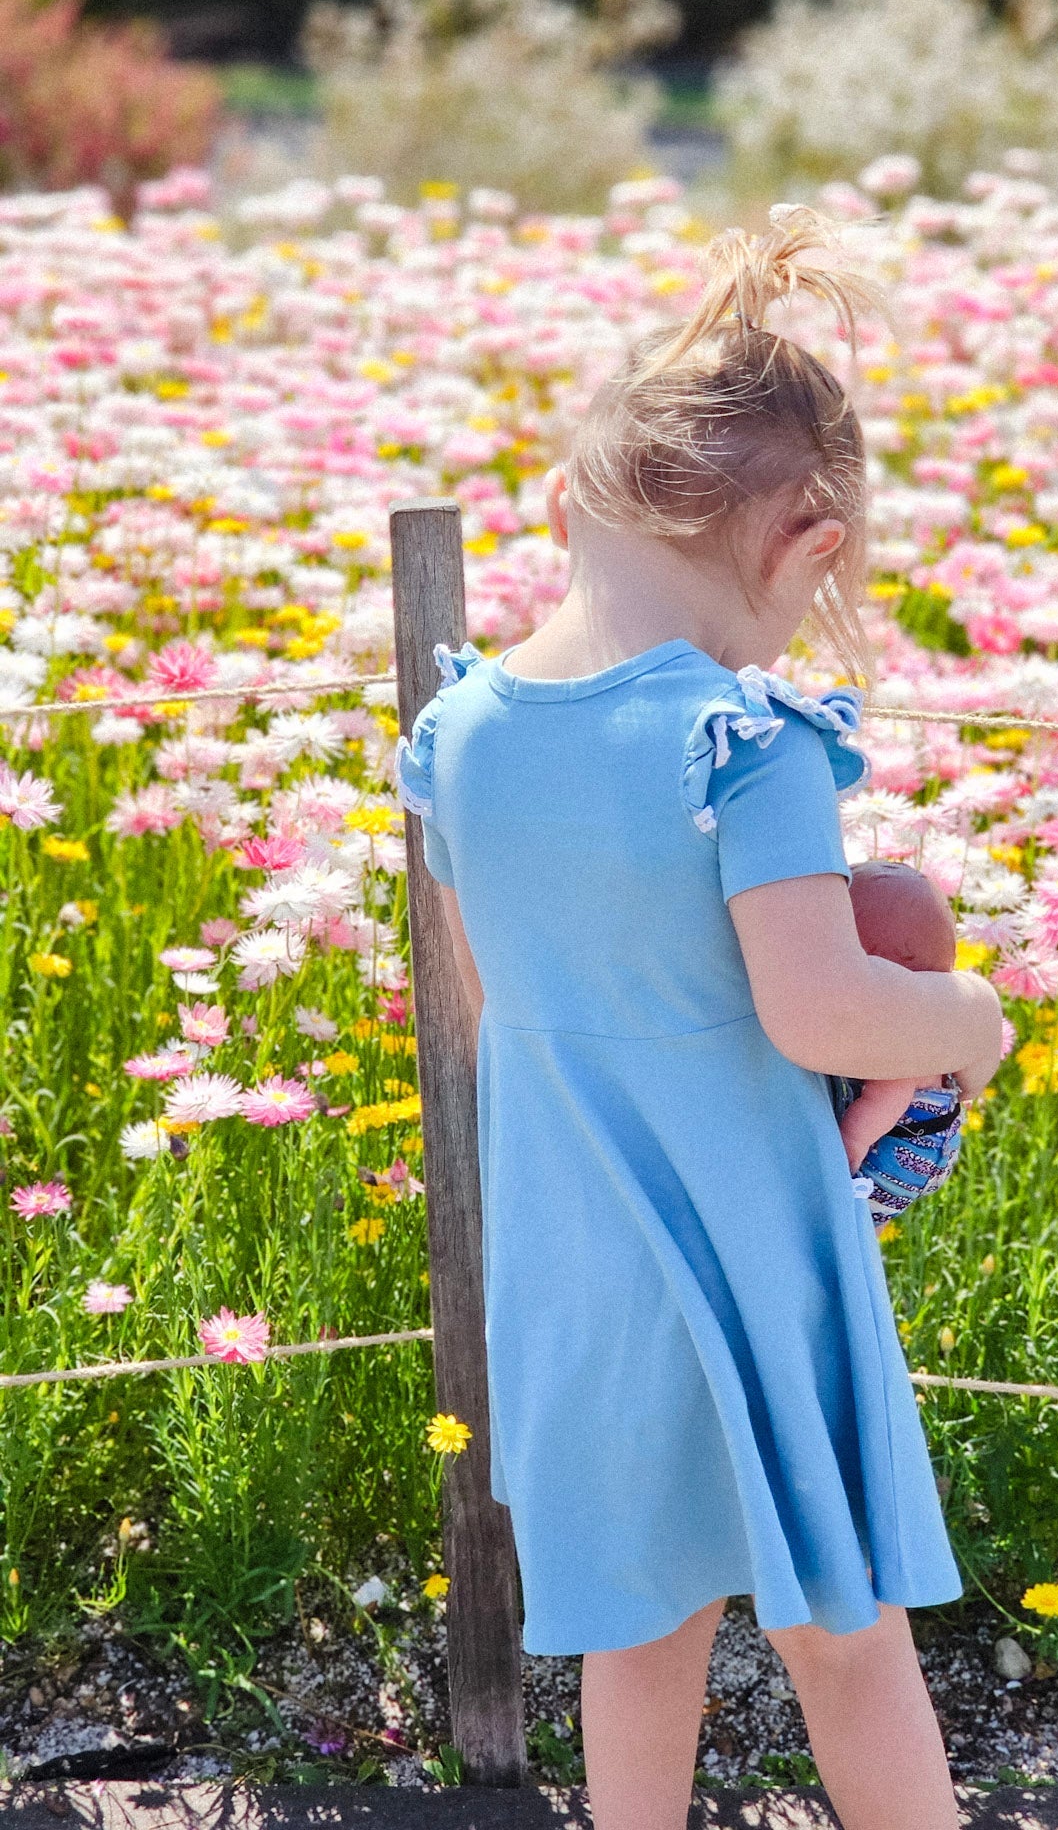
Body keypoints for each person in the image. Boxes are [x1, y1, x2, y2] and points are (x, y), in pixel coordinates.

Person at [397, 206, 1004, 1830]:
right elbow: (818, 1011)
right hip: (748, 1257)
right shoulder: (749, 742)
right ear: (808, 546)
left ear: (567, 499)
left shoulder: (455, 732)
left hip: (573, 1274)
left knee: (638, 1631)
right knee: (846, 1638)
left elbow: (491, 1001)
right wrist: (967, 1016)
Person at [834, 861, 967, 1227]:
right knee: (872, 1216)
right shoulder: (927, 1011)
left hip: (906, 1145)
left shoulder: (896, 1025)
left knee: (855, 1219)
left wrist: (848, 1148)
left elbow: (888, 1093)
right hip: (931, 1135)